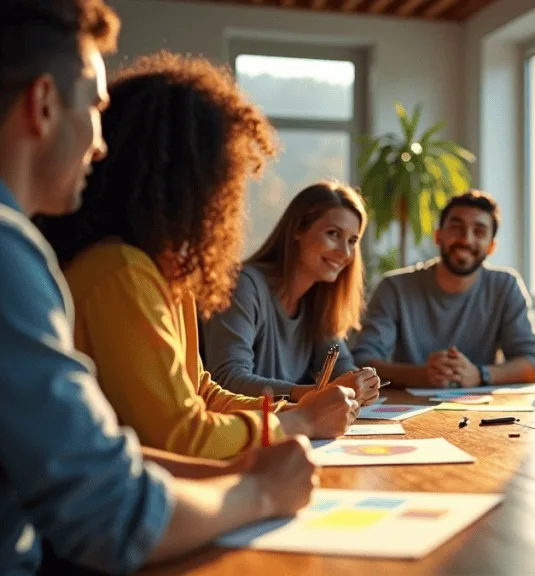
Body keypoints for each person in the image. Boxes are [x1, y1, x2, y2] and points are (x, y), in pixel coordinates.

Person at [0, 1, 316, 576]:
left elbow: (100, 457)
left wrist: (237, 470)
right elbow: (113, 513)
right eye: (95, 107)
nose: (99, 143)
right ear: (44, 104)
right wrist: (265, 490)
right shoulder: (19, 255)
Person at [35, 51, 360, 460]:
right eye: (225, 176)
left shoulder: (167, 272)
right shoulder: (121, 271)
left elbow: (201, 392)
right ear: (184, 177)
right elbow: (184, 435)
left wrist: (294, 412)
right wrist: (300, 422)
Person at [203, 181, 381, 404]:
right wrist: (312, 394)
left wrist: (362, 383)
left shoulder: (318, 299)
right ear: (298, 229)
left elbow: (341, 368)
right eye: (333, 234)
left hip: (291, 429)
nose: (345, 252)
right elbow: (227, 379)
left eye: (352, 241)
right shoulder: (242, 285)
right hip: (243, 432)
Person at [351, 190, 535, 387]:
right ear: (438, 235)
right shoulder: (394, 288)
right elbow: (362, 360)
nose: (466, 239)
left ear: (491, 247)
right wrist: (421, 376)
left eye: (479, 231)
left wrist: (480, 374)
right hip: (406, 409)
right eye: (456, 227)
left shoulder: (506, 286)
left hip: (480, 411)